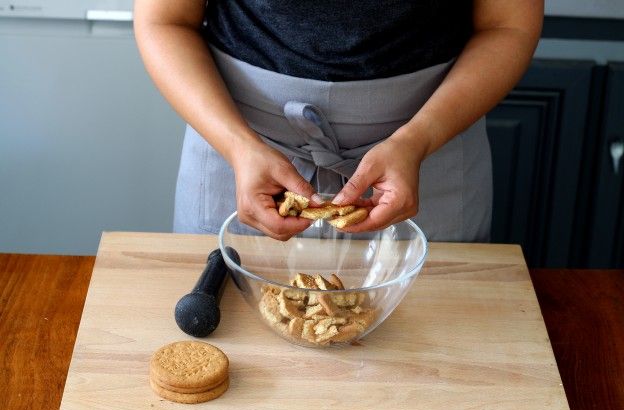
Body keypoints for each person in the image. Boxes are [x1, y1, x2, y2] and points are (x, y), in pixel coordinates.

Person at [134, 0, 544, 241]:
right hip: (239, 157)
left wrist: (417, 140)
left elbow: (507, 25)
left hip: (430, 158)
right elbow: (165, 19)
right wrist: (238, 147)